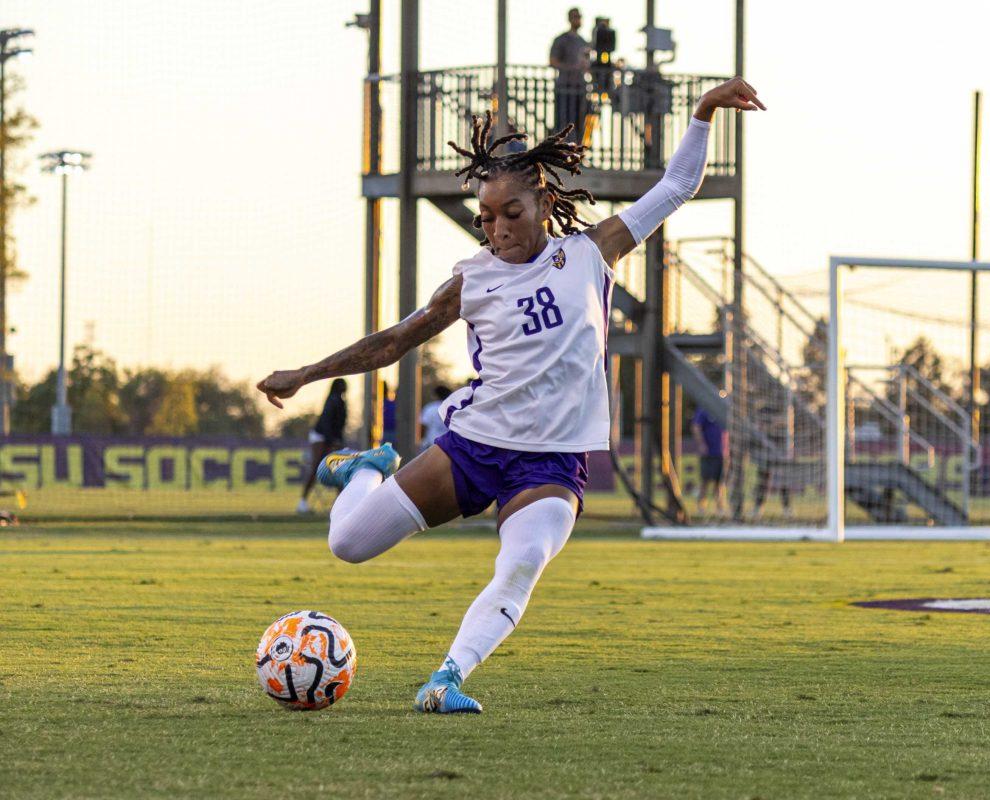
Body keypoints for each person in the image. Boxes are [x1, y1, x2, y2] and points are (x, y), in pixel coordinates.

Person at [257, 77, 765, 713]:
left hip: (552, 461)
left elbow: (676, 187)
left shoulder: (590, 252)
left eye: (511, 214)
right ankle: (363, 471)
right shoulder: (469, 281)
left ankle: (446, 680)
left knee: (523, 559)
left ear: (544, 202)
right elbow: (393, 342)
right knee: (347, 544)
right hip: (476, 445)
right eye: (486, 217)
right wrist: (306, 373)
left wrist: (701, 114)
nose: (496, 228)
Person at [296, 379, 347, 514]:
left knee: (337, 469)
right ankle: (302, 503)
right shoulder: (331, 401)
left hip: (332, 439)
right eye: (341, 386)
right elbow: (326, 423)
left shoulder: (342, 403)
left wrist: (338, 442)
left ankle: (341, 505)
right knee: (315, 467)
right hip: (320, 436)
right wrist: (330, 442)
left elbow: (340, 426)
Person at [549, 8, 590, 143]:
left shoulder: (583, 42)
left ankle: (576, 150)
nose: (577, 20)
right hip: (565, 86)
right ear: (570, 19)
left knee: (579, 121)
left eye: (579, 17)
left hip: (579, 87)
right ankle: (561, 150)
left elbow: (588, 65)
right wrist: (572, 68)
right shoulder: (561, 40)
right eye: (575, 17)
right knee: (563, 121)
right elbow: (553, 61)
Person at [691, 406, 727, 515]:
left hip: (721, 452)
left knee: (719, 482)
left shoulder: (722, 409)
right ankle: (701, 507)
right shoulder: (703, 409)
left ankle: (720, 508)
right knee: (705, 481)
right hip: (708, 452)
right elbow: (696, 427)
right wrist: (701, 444)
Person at [420, 385, 453, 451]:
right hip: (449, 446)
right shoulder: (454, 408)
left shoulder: (430, 408)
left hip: (431, 445)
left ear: (436, 395)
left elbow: (423, 427)